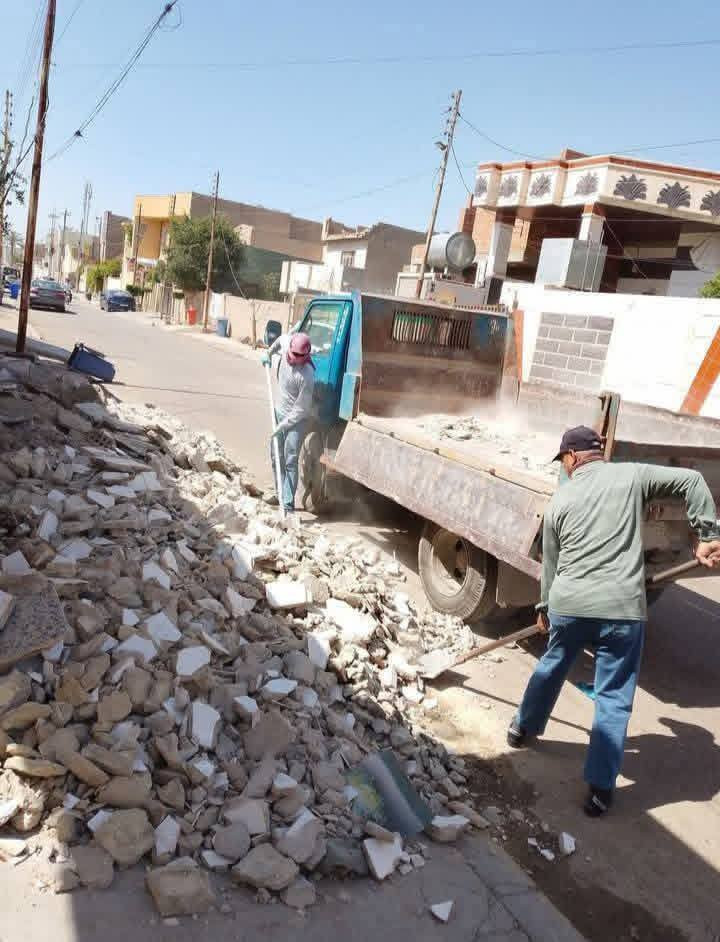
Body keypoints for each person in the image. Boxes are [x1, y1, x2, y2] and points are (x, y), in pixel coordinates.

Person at [507, 425, 720, 817]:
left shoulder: (558, 503)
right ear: (598, 452)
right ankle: (600, 791)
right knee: (613, 698)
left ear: (571, 458)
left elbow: (550, 567)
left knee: (552, 666)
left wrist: (543, 609)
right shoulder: (632, 475)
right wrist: (708, 533)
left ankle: (521, 729)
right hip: (622, 610)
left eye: (564, 461)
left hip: (569, 607)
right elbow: (691, 480)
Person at [261, 332, 315, 514]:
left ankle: (288, 505)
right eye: (293, 354)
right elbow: (279, 340)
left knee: (290, 459)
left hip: (296, 421)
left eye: (299, 357)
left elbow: (301, 410)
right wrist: (268, 353)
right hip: (278, 411)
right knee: (276, 456)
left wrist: (282, 426)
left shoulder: (307, 375)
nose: (294, 358)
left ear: (306, 355)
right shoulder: (286, 343)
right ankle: (280, 494)